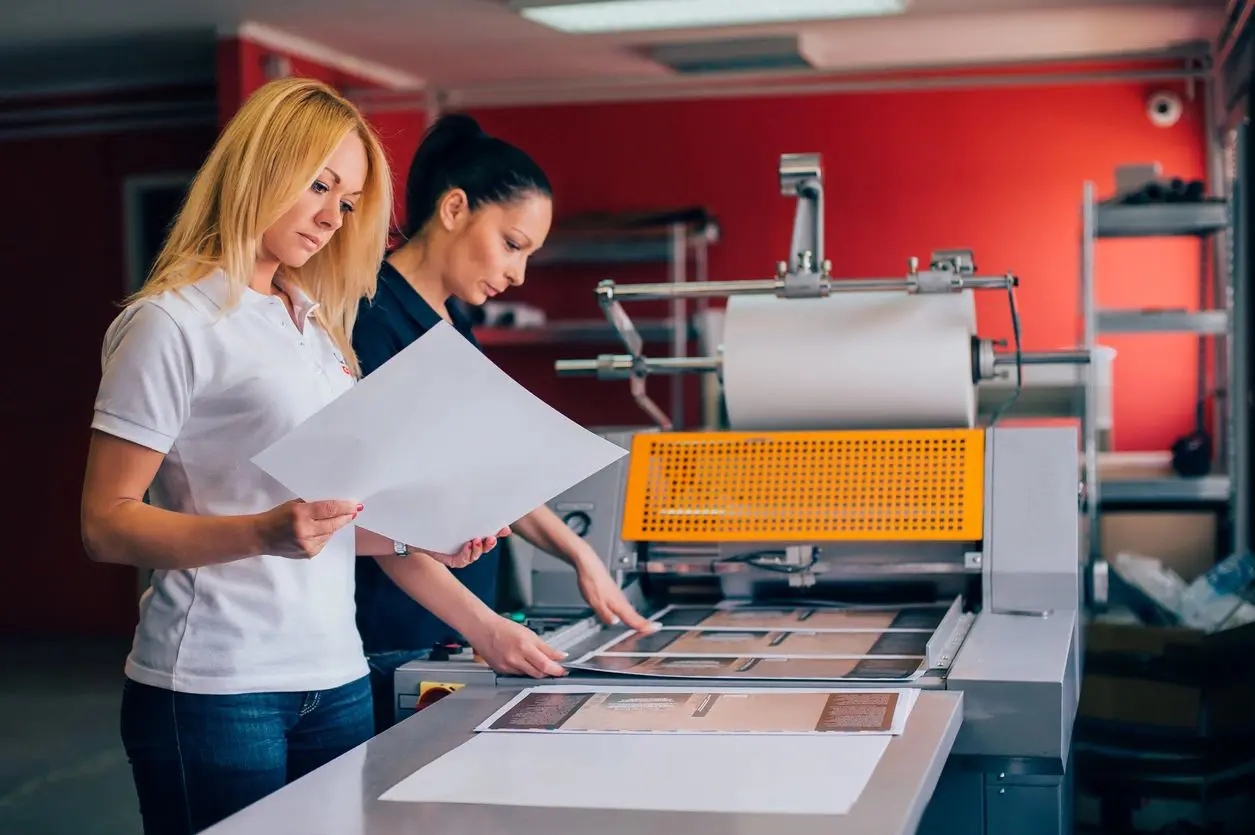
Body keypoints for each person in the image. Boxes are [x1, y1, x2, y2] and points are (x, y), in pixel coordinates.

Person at [79, 78, 552, 835]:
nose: (333, 215)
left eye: (351, 200)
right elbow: (106, 524)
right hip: (216, 688)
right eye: (319, 184)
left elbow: (324, 518)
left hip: (334, 678)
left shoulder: (314, 325)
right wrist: (258, 533)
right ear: (259, 167)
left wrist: (412, 533)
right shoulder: (170, 323)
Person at [352, 113, 657, 731]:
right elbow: (376, 513)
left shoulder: (455, 325)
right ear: (455, 208)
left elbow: (489, 472)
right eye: (513, 245)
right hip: (392, 635)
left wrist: (581, 556)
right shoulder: (372, 320)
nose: (519, 273)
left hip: (459, 629)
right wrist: (485, 629)